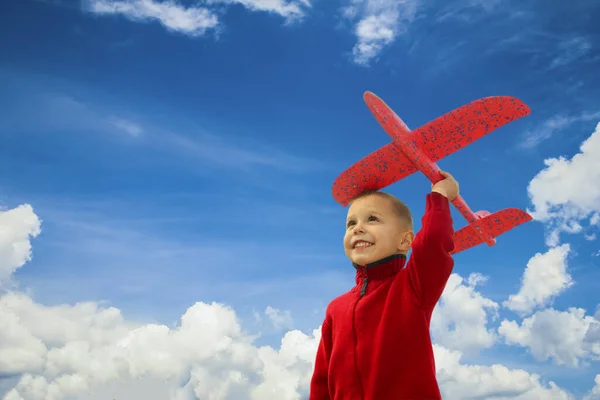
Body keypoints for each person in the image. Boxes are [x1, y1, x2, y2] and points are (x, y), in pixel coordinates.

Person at [309, 171, 459, 400]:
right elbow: (321, 380)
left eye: (372, 219)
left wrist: (439, 196)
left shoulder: (412, 286)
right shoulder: (335, 309)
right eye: (351, 223)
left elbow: (432, 243)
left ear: (405, 241)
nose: (357, 228)